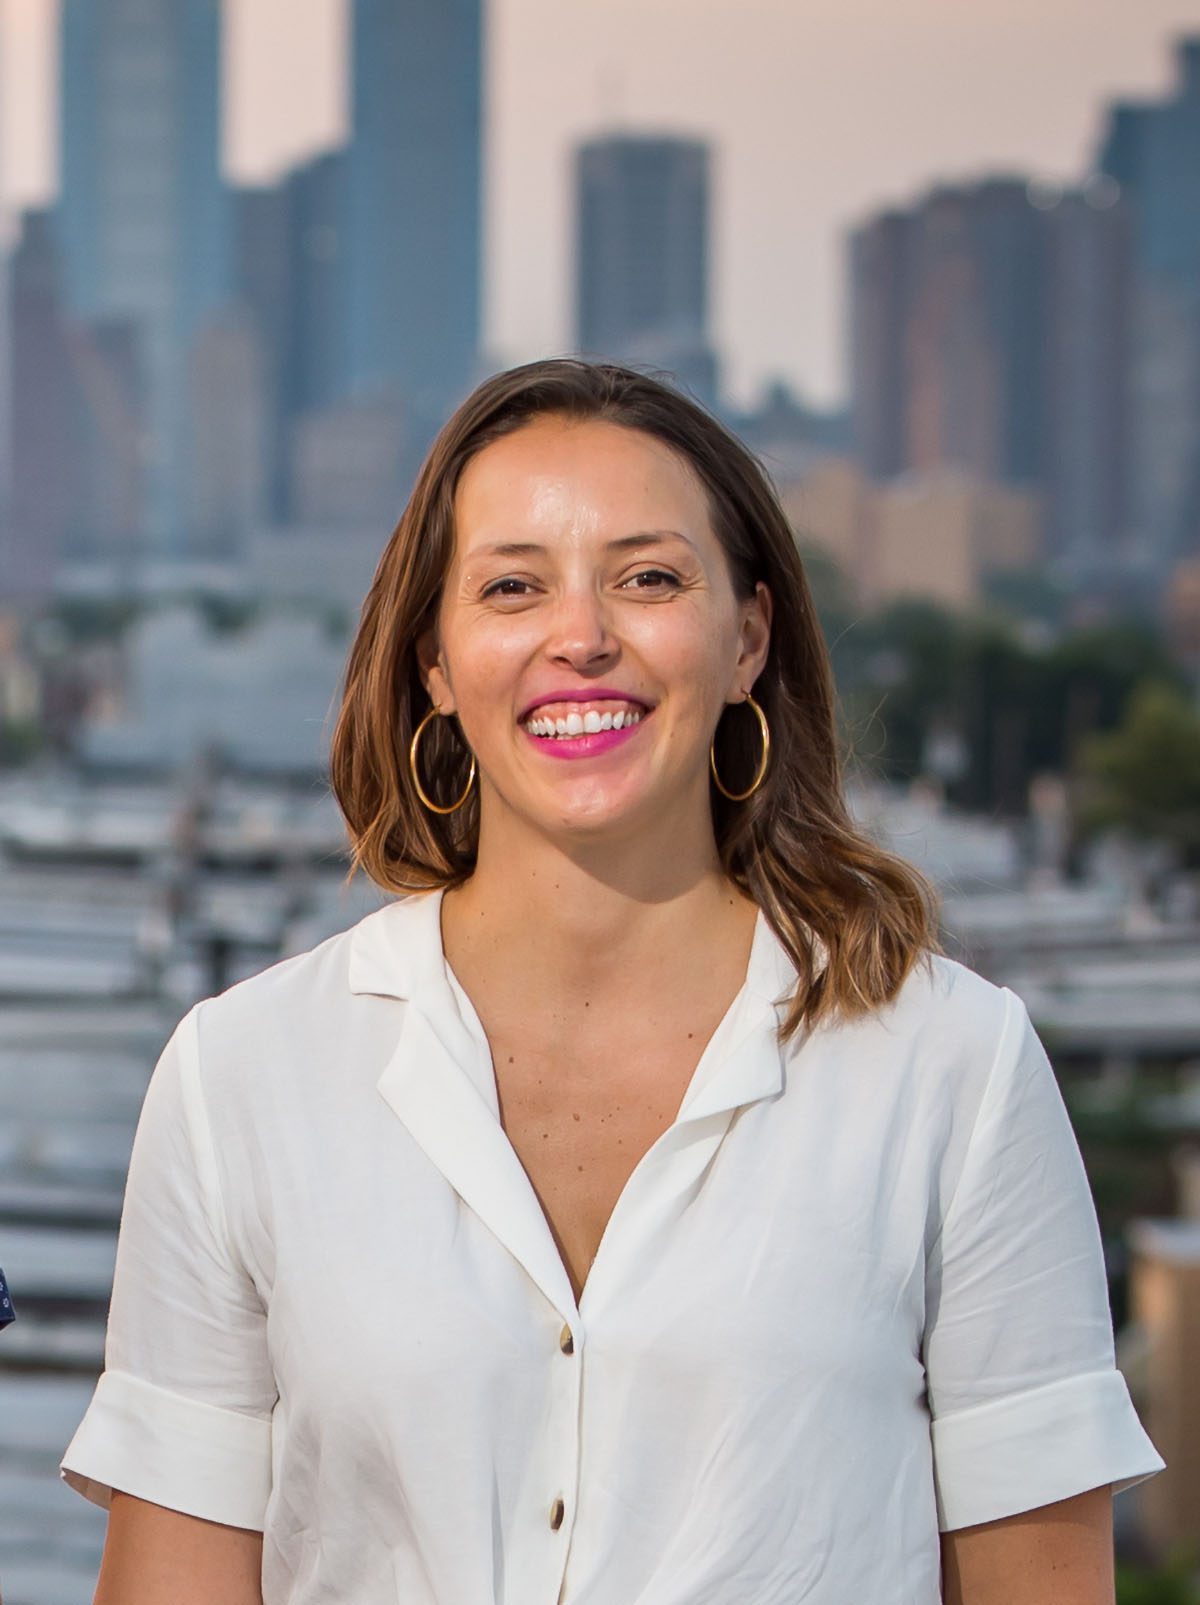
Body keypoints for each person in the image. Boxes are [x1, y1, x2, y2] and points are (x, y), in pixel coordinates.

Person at [62, 359, 1162, 1604]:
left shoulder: (955, 1071)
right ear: (434, 659)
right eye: (514, 586)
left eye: (647, 578)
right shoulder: (240, 1078)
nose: (581, 638)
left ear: (748, 636)